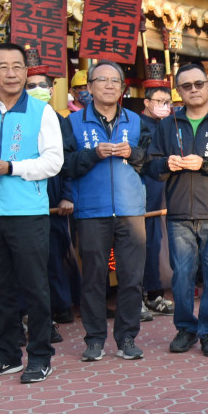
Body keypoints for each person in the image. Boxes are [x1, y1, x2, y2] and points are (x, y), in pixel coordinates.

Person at [0, 42, 64, 383]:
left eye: (17, 66)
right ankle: (6, 354)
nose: (12, 73)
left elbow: (54, 161)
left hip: (28, 212)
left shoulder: (41, 112)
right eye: (2, 66)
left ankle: (40, 356)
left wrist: (10, 167)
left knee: (34, 286)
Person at [145, 61, 208, 357]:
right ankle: (186, 328)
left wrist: (207, 163)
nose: (194, 90)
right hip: (179, 212)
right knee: (181, 275)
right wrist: (166, 164)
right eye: (186, 86)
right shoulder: (167, 124)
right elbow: (152, 164)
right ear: (178, 92)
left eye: (199, 84)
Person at [62, 61, 149, 363]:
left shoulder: (136, 121)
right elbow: (64, 165)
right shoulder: (73, 122)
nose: (109, 85)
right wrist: (93, 154)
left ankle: (127, 338)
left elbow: (149, 161)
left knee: (131, 277)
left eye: (115, 81)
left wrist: (133, 153)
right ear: (89, 87)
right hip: (90, 210)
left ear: (123, 88)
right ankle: (94, 339)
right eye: (102, 80)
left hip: (130, 209)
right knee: (94, 279)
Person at [25, 70, 79, 340]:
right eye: (30, 85)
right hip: (22, 196)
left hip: (53, 196)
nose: (37, 89)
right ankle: (36, 315)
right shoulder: (15, 116)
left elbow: (69, 160)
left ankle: (60, 306)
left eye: (41, 85)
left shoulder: (59, 119)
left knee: (55, 255)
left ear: (51, 88)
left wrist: (67, 194)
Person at [140, 73, 173, 316]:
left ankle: (156, 293)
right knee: (145, 243)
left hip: (166, 191)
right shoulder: (137, 125)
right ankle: (141, 294)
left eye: (167, 102)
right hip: (146, 189)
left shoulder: (170, 125)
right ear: (147, 102)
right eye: (159, 101)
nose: (163, 106)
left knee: (160, 243)